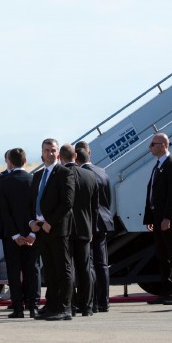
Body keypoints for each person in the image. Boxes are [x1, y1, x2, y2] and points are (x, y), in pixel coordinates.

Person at [143, 133, 172, 306]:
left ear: (163, 145)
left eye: (152, 144)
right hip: (157, 218)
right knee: (163, 256)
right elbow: (152, 194)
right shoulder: (158, 166)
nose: (150, 147)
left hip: (168, 219)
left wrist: (167, 217)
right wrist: (150, 217)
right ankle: (166, 291)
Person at [30, 138, 75, 321]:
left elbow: (67, 202)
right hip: (41, 230)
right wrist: (31, 221)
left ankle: (64, 307)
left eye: (53, 150)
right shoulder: (38, 175)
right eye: (46, 150)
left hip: (56, 229)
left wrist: (51, 222)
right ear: (42, 152)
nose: (49, 153)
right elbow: (32, 201)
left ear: (58, 153)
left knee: (62, 269)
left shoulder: (64, 173)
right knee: (49, 270)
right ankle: (51, 305)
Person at [0, 148, 41, 319]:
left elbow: (1, 210)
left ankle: (17, 308)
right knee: (33, 270)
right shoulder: (34, 180)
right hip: (33, 233)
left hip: (10, 235)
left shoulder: (3, 181)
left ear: (10, 162)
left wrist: (15, 234)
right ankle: (34, 306)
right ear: (25, 160)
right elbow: (38, 209)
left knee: (14, 272)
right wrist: (32, 234)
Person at [74, 143, 115, 313]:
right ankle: (104, 301)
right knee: (102, 264)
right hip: (104, 221)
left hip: (89, 223)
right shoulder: (102, 172)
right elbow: (109, 199)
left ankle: (92, 302)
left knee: (88, 264)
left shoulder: (82, 175)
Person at [59, 144, 97, 316]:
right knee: (85, 268)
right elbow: (94, 207)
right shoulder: (90, 176)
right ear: (75, 156)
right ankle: (87, 306)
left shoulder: (59, 176)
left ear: (61, 158)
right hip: (84, 227)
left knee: (67, 269)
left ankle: (71, 305)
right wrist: (91, 228)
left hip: (65, 229)